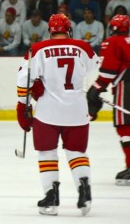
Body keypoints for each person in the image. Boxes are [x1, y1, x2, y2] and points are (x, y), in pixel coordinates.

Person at [16, 13, 98, 216]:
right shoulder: (83, 47)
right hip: (78, 111)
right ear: (68, 30)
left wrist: (23, 108)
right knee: (77, 152)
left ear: (50, 32)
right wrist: (94, 99)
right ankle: (84, 189)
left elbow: (23, 80)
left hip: (48, 112)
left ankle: (51, 197)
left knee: (47, 152)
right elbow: (98, 72)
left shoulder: (37, 50)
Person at [87, 14, 130, 186]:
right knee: (128, 129)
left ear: (113, 28)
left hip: (127, 87)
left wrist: (96, 87)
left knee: (125, 129)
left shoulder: (112, 41)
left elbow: (108, 70)